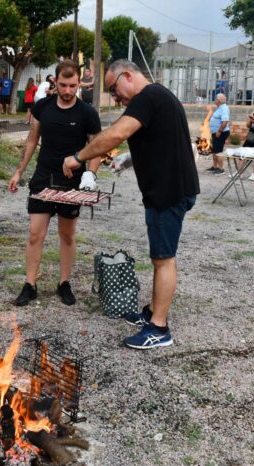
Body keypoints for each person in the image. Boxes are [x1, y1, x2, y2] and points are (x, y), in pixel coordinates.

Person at [62, 59, 200, 350]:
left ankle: (159, 328)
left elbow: (115, 134)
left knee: (164, 259)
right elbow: (161, 140)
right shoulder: (159, 95)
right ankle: (152, 311)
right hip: (172, 187)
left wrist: (79, 158)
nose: (115, 97)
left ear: (127, 75)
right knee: (159, 256)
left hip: (168, 191)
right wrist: (131, 158)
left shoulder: (147, 97)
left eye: (114, 89)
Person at [8, 60, 102, 308]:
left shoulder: (88, 114)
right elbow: (31, 141)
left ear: (79, 82)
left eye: (72, 85)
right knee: (35, 233)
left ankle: (64, 283)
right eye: (63, 85)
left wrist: (90, 175)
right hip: (43, 178)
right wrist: (19, 171)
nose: (68, 90)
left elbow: (96, 150)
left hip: (72, 182)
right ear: (55, 82)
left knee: (67, 235)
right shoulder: (43, 107)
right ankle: (30, 284)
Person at [208, 93, 230, 175]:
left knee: (219, 150)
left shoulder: (224, 108)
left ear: (219, 100)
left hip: (221, 132)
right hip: (216, 132)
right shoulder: (220, 108)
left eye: (215, 99)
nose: (214, 100)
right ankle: (215, 166)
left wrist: (219, 131)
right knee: (214, 150)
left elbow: (225, 121)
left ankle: (221, 169)